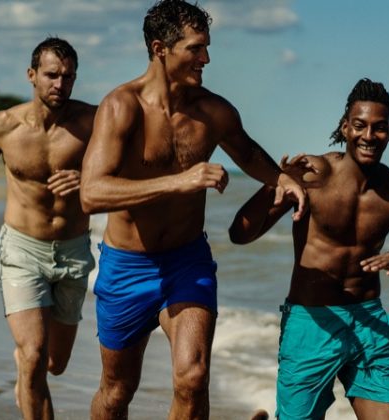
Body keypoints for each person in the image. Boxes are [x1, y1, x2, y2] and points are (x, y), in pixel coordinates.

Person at [78, 1, 306, 418]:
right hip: (127, 266)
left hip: (187, 260)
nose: (206, 58)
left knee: (193, 377)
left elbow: (248, 152)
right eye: (196, 49)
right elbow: (92, 193)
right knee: (116, 391)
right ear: (161, 48)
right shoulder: (121, 106)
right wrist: (180, 181)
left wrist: (282, 178)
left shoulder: (213, 111)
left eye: (207, 47)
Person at [229, 78, 389, 420]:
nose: (369, 136)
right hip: (312, 323)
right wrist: (276, 183)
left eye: (379, 128)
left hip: (370, 324)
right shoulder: (311, 175)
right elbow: (239, 234)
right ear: (345, 127)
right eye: (360, 126)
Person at [0, 37, 96, 419]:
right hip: (22, 249)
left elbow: (125, 168)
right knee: (35, 356)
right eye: (52, 75)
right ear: (32, 76)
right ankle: (27, 363)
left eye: (68, 77)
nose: (60, 84)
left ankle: (25, 364)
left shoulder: (92, 123)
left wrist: (85, 178)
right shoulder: (3, 125)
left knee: (54, 363)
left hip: (73, 250)